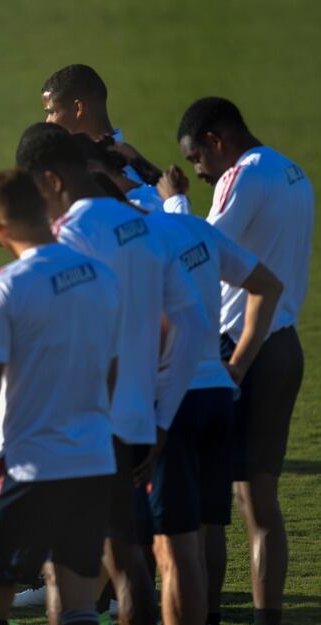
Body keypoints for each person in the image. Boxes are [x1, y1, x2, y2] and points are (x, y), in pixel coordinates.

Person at [16, 123, 207, 625]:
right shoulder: (144, 227)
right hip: (138, 421)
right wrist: (162, 417)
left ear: (52, 181)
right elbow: (192, 326)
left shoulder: (69, 236)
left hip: (81, 422)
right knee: (127, 565)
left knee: (67, 571)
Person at [159, 97, 314, 625]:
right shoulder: (294, 173)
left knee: (209, 511)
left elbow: (198, 249)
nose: (200, 173)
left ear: (217, 141)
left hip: (238, 347)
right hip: (286, 343)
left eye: (198, 159)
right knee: (261, 505)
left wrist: (172, 203)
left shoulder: (241, 176)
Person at [0, 169, 119, 625]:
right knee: (77, 595)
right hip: (92, 461)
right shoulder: (103, 277)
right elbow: (116, 367)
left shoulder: (4, 286)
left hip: (27, 465)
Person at [40, 64, 161, 185]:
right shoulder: (137, 164)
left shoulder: (103, 178)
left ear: (78, 108)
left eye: (51, 112)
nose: (48, 121)